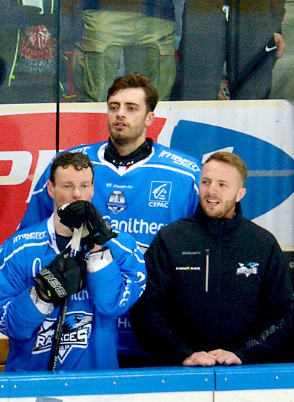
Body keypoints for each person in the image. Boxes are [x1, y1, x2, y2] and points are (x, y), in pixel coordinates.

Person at [18, 72, 199, 362]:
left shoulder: (186, 174)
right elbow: (30, 241)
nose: (120, 114)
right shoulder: (71, 167)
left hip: (157, 335)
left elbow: (200, 257)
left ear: (150, 118)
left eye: (131, 108)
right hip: (82, 338)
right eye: (114, 107)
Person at [131, 151, 294, 366]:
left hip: (243, 372)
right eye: (206, 182)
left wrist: (242, 353)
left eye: (222, 185)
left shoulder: (263, 244)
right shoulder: (171, 239)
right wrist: (183, 353)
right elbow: (145, 307)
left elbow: (281, 315)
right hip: (178, 370)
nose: (211, 191)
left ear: (240, 193)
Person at [0, 151, 145, 371]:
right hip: (30, 382)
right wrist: (43, 294)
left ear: (93, 188)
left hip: (96, 382)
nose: (77, 194)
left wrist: (97, 248)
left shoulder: (122, 246)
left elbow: (111, 305)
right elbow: (11, 326)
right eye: (67, 186)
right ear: (51, 188)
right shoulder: (18, 249)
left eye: (84, 185)